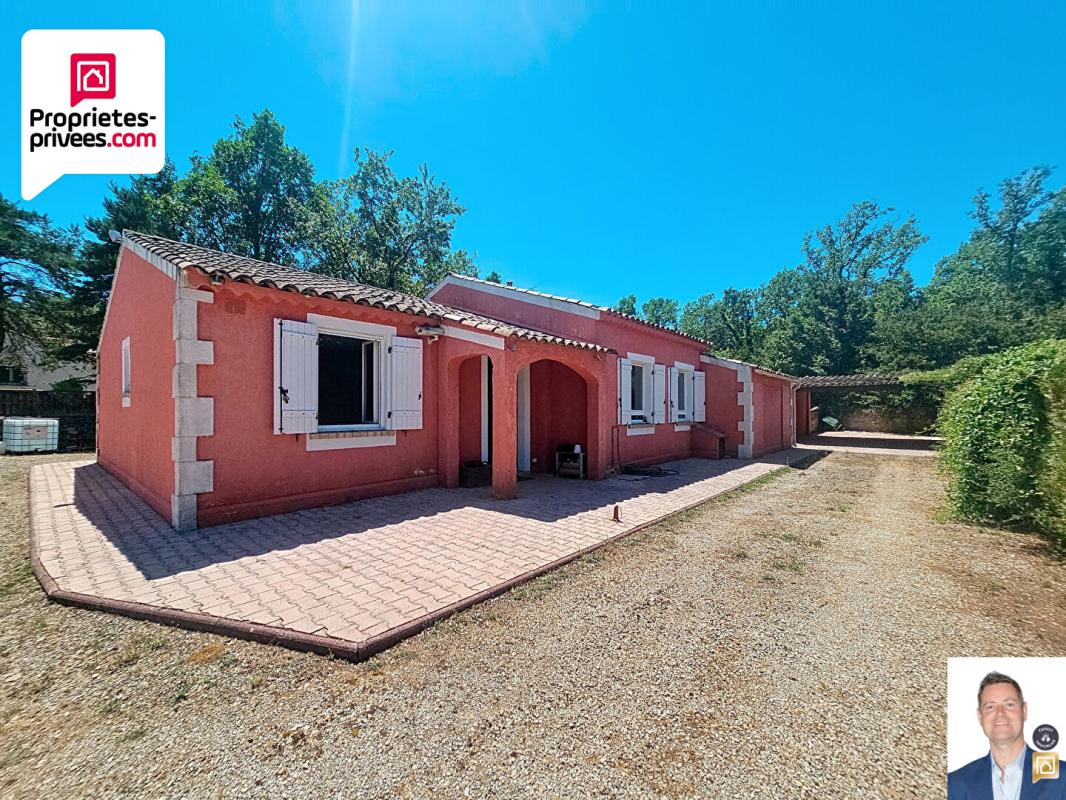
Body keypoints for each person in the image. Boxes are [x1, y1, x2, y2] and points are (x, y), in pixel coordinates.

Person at [948, 671, 1064, 800]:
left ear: (1024, 711)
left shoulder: (1061, 775)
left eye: (1009, 705)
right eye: (990, 707)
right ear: (980, 717)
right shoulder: (955, 783)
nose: (1000, 713)